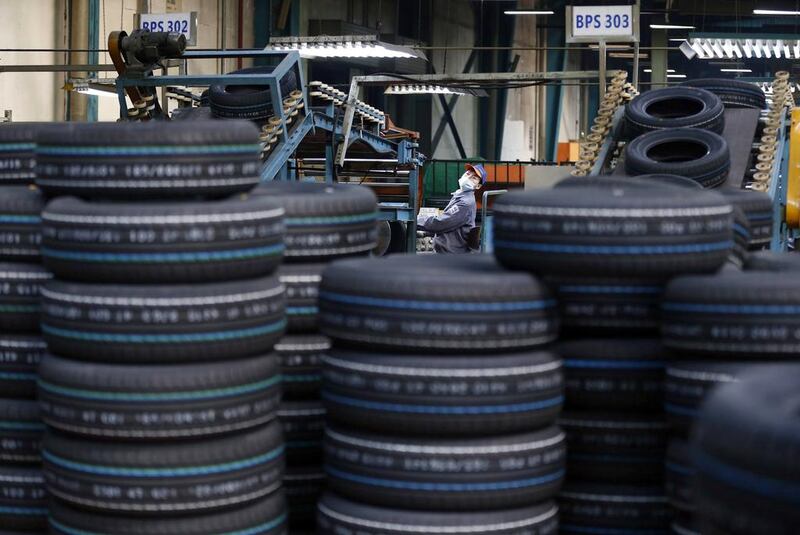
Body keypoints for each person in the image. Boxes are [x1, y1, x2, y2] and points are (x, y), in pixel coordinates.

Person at [417, 163, 487, 254]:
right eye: (468, 174)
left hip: (451, 252)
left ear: (478, 186)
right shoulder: (460, 195)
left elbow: (441, 223)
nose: (469, 177)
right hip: (448, 248)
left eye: (474, 178)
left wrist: (415, 221)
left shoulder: (465, 203)